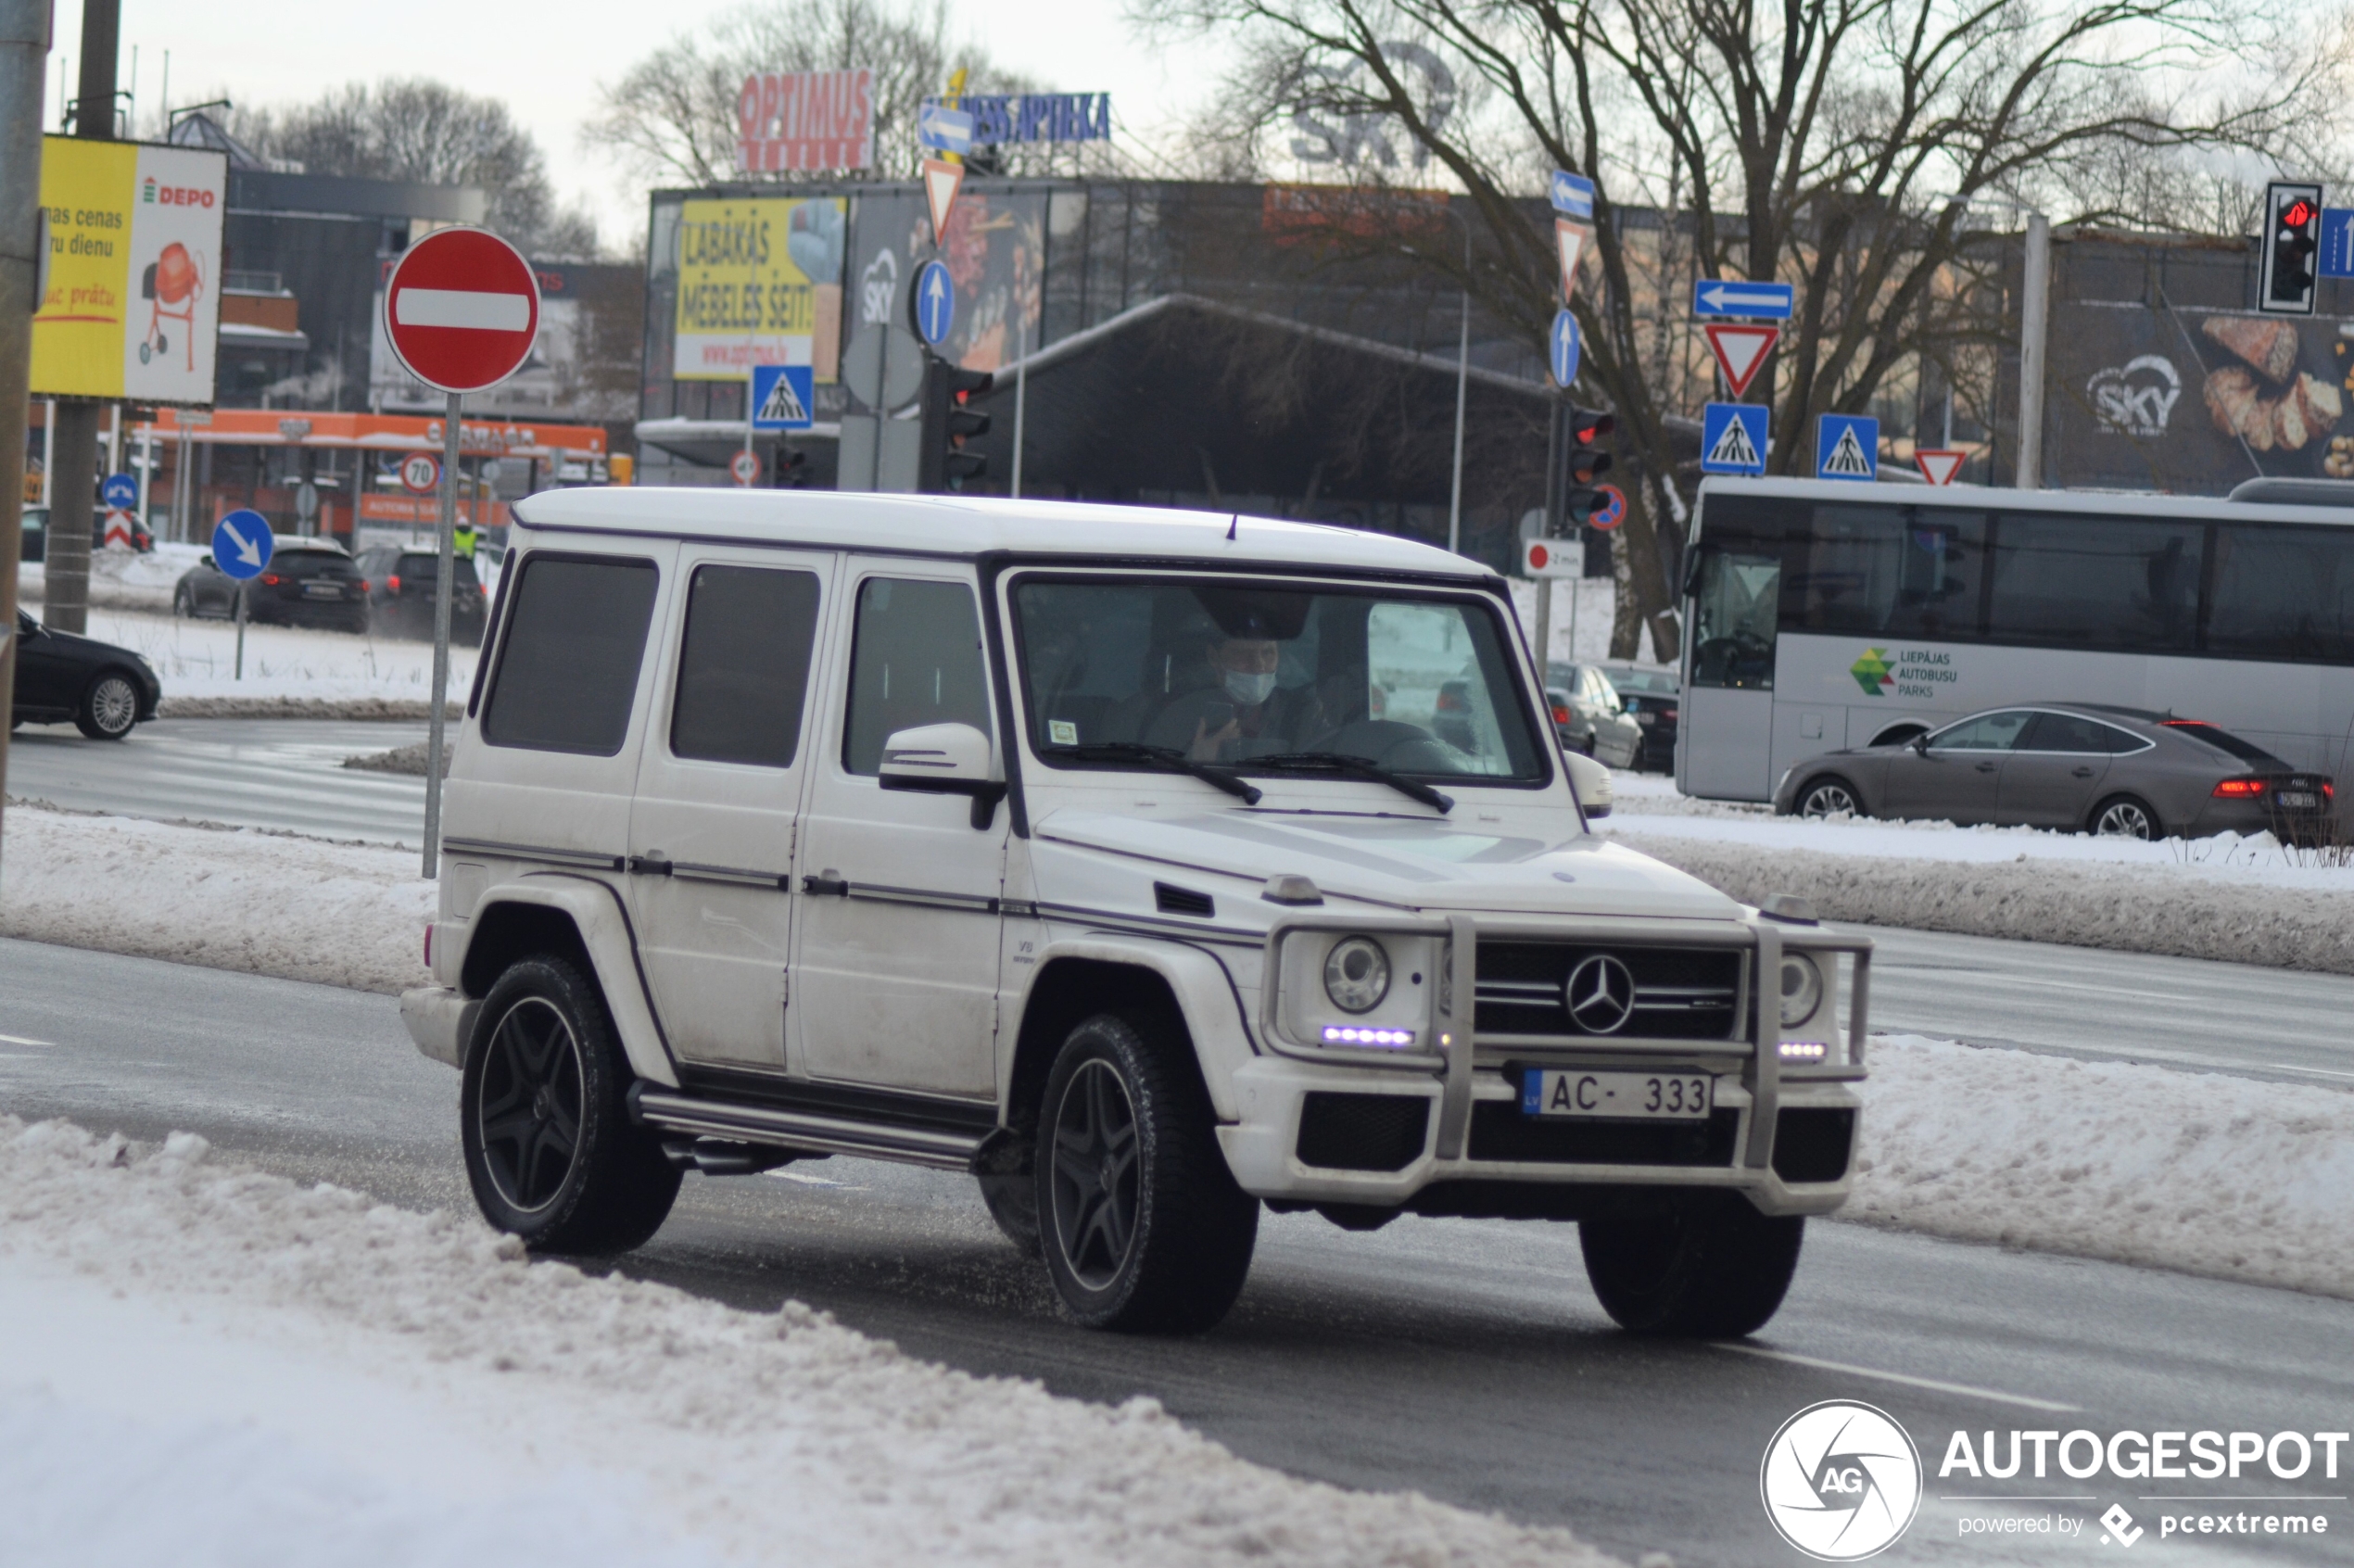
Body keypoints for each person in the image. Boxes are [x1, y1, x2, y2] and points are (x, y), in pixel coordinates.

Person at [1145, 632, 1328, 761]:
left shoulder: (1304, 712)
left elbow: (1326, 772)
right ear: (1214, 657)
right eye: (1242, 653)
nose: (1258, 666)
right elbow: (1148, 784)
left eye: (1268, 652)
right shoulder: (1179, 716)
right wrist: (1193, 760)